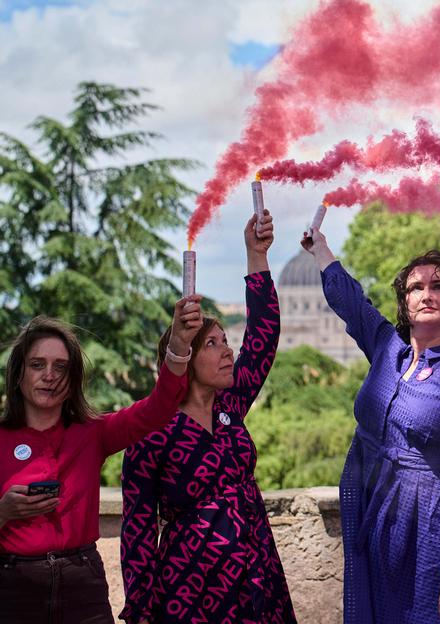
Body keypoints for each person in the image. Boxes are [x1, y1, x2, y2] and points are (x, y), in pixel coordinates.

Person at [300, 225, 440, 623]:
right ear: (404, 303)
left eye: (438, 286)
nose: (427, 294)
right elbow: (352, 302)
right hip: (386, 535)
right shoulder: (389, 352)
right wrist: (320, 250)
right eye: (416, 288)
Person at [119, 210, 295, 624]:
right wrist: (141, 608)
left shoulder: (230, 404)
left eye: (226, 340)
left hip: (258, 576)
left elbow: (264, 333)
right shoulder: (152, 430)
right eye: (213, 344)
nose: (228, 350)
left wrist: (256, 254)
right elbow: (139, 527)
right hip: (191, 589)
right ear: (187, 357)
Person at [0, 300, 201, 623]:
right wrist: (3, 513)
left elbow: (159, 408)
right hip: (13, 589)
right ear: (19, 373)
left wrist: (178, 344)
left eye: (61, 367)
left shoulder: (93, 433)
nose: (49, 376)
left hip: (83, 587)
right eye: (37, 364)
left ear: (73, 379)